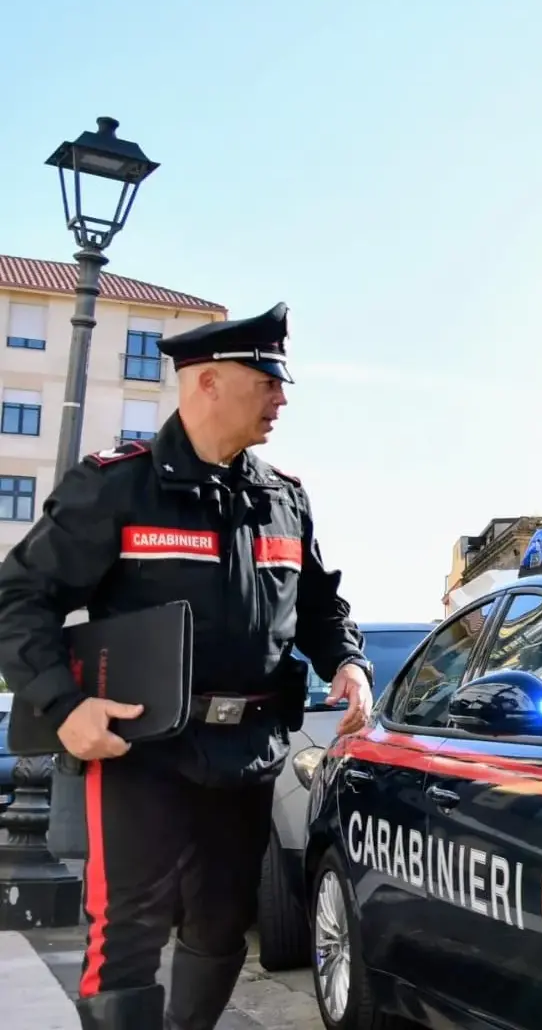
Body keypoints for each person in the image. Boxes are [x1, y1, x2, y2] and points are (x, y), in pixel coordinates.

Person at [0, 303, 373, 1030]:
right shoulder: (116, 487)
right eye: (267, 381)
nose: (281, 399)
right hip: (141, 750)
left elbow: (322, 605)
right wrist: (63, 704)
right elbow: (19, 600)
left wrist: (348, 661)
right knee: (129, 928)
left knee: (222, 923)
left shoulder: (283, 499)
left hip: (249, 751)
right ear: (206, 382)